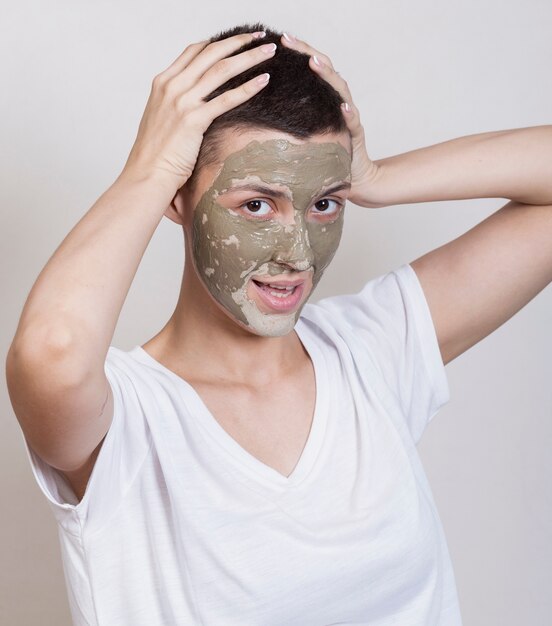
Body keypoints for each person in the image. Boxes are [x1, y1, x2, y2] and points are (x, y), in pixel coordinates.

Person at [5, 21, 551, 626]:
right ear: (178, 197)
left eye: (323, 205)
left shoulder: (370, 350)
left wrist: (374, 178)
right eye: (257, 204)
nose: (297, 252)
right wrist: (150, 169)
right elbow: (49, 352)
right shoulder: (127, 421)